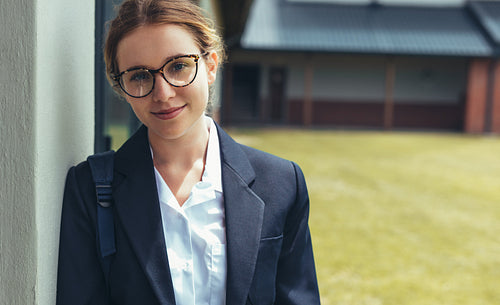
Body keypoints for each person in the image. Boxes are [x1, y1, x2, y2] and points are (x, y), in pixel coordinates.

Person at [56, 0, 320, 304]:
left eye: (178, 66)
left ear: (210, 66)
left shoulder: (282, 183)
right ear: (121, 87)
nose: (163, 93)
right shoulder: (89, 188)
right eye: (140, 76)